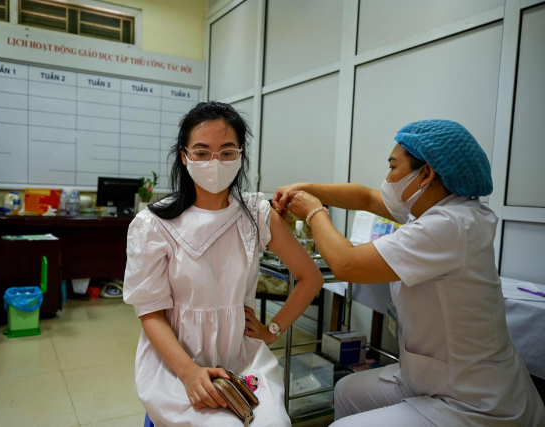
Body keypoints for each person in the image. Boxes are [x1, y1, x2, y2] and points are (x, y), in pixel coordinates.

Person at [273, 120, 545, 426]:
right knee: (347, 390)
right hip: (430, 374)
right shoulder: (440, 209)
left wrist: (313, 212)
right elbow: (365, 197)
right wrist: (306, 189)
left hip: (474, 399)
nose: (387, 178)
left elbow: (346, 263)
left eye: (393, 167)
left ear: (426, 174)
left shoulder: (450, 225)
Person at [123, 102, 324, 426]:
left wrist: (272, 330)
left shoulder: (256, 214)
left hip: (242, 357)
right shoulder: (154, 224)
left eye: (227, 152)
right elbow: (149, 312)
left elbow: (310, 277)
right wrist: (189, 373)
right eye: (202, 152)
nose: (214, 162)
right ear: (184, 155)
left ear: (241, 155)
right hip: (176, 362)